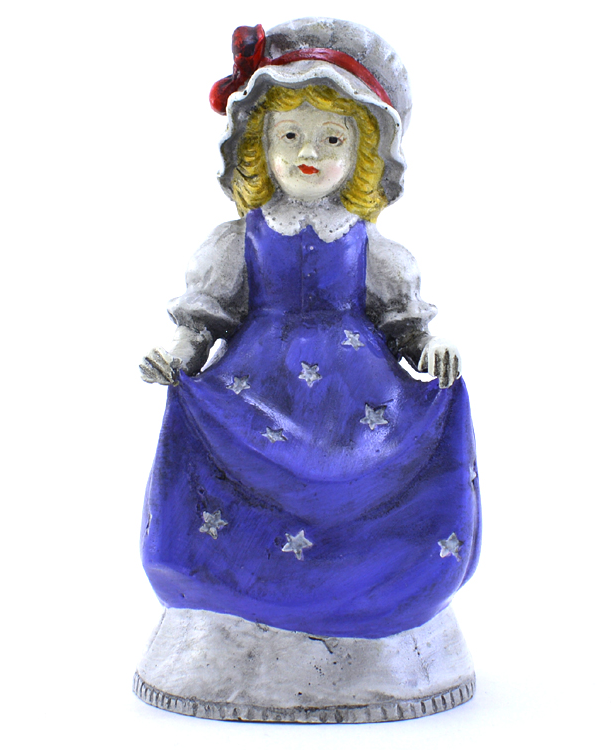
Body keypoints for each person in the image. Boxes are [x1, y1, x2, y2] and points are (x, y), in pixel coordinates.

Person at [135, 18, 481, 721]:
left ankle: (376, 613)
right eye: (290, 135)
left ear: (363, 153)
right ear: (259, 148)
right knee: (237, 483)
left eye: (332, 138)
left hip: (358, 396)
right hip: (255, 389)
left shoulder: (373, 249)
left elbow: (406, 327)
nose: (309, 154)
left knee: (365, 483)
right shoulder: (239, 240)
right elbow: (205, 318)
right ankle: (232, 620)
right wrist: (177, 357)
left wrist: (430, 350)